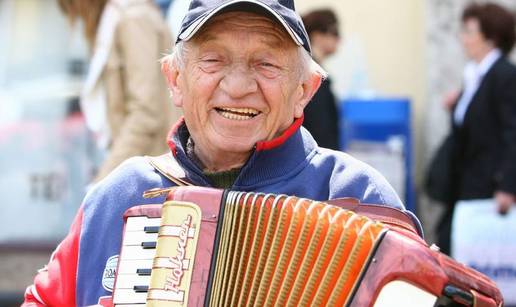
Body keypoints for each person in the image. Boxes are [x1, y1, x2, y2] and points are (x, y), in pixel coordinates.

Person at [23, 0, 419, 305]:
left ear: (305, 90)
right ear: (175, 80)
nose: (238, 85)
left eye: (266, 63)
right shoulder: (119, 196)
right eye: (213, 59)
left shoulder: (359, 197)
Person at [58, 0, 182, 181]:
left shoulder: (133, 19)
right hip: (143, 169)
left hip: (154, 173)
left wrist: (103, 181)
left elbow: (146, 114)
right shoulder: (115, 21)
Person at [434, 2, 516, 255]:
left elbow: (512, 132)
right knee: (448, 241)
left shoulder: (504, 75)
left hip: (487, 185)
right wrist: (459, 104)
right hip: (466, 181)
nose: (463, 38)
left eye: (470, 32)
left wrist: (508, 187)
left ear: (490, 38)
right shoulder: (475, 75)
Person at [301, 8, 341, 150]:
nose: (340, 39)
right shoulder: (313, 76)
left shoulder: (309, 70)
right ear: (317, 35)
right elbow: (321, 129)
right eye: (335, 32)